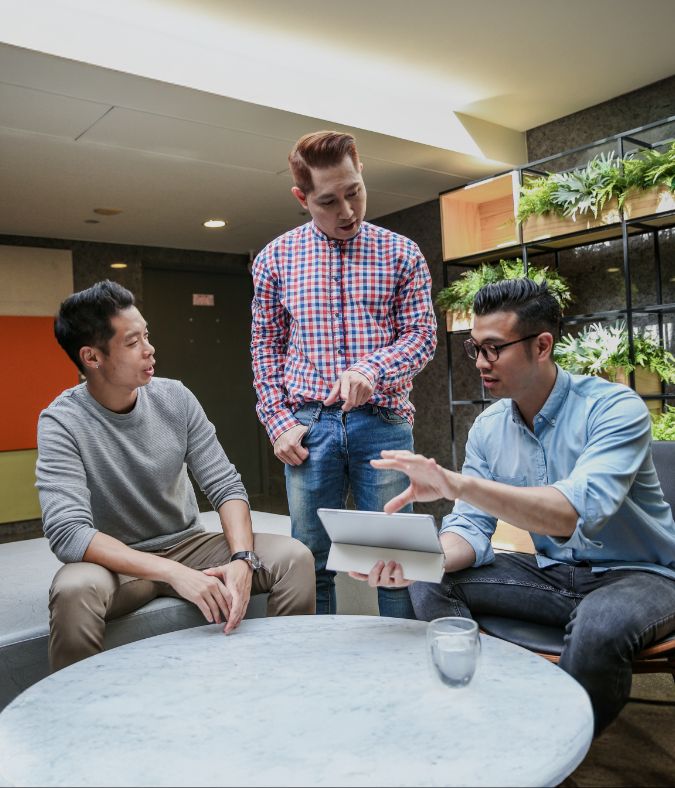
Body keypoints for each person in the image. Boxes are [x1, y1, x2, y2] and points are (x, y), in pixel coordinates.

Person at [355, 278, 675, 735]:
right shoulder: (489, 428)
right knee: (431, 580)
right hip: (553, 575)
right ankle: (488, 711)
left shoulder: (614, 408)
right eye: (475, 348)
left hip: (643, 577)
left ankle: (555, 743)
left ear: (541, 345)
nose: (480, 363)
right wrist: (422, 560)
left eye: (493, 348)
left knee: (600, 622)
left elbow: (568, 513)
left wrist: (458, 484)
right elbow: (469, 528)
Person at [37, 280, 315, 671]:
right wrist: (175, 574)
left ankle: (286, 677)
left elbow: (225, 485)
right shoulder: (61, 422)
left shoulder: (176, 398)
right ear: (92, 357)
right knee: (73, 590)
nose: (149, 349)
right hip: (117, 564)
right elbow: (68, 533)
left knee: (294, 558)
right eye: (132, 342)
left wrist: (242, 558)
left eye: (146, 335)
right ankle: (76, 704)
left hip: (188, 545)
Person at [250, 130, 437, 616]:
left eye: (354, 192)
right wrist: (278, 423)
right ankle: (321, 660)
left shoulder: (402, 253)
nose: (348, 211)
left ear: (362, 175)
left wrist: (372, 369)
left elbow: (422, 336)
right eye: (328, 201)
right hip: (308, 427)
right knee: (309, 562)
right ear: (302, 198)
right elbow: (266, 350)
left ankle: (401, 657)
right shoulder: (274, 260)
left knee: (396, 561)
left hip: (384, 423)